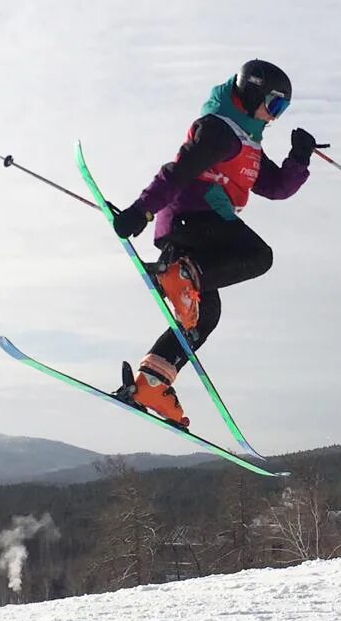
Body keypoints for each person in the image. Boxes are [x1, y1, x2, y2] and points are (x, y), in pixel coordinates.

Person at [110, 59, 321, 427]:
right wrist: (142, 210)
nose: (275, 116)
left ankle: (151, 384)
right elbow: (178, 172)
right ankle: (181, 276)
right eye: (274, 105)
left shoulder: (247, 142)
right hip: (194, 218)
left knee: (206, 315)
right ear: (252, 91)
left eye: (282, 110)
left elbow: (275, 187)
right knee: (257, 255)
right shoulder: (219, 130)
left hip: (203, 231)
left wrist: (299, 157)